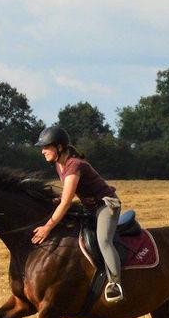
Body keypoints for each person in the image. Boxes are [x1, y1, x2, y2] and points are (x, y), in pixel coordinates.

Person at [30, 125, 124, 302]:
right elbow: (66, 195)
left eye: (46, 147)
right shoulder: (60, 164)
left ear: (59, 147)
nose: (42, 151)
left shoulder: (74, 165)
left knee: (103, 240)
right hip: (89, 207)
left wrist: (47, 227)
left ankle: (115, 283)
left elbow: (66, 202)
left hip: (106, 206)